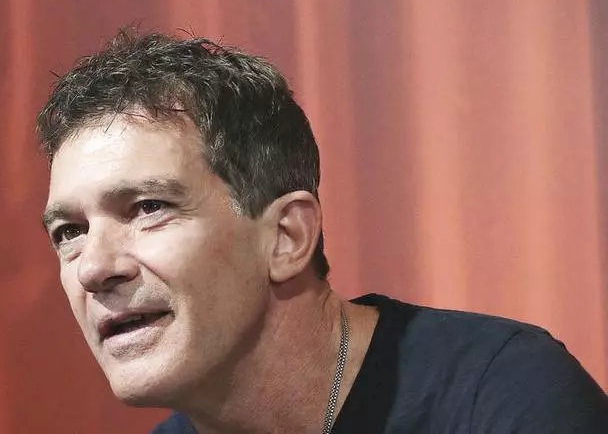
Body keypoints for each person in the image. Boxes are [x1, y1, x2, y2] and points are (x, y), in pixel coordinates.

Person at [36, 29, 608, 433]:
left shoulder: (503, 395)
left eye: (147, 207)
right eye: (69, 231)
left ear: (286, 237)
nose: (93, 268)